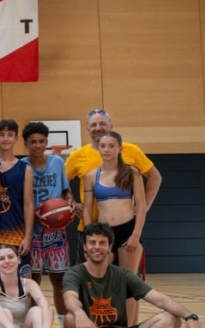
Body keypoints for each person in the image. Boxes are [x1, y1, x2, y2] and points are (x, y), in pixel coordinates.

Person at [61, 222, 204, 328]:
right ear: (84, 247)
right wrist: (80, 314)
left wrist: (190, 316)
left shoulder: (122, 275)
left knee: (172, 319)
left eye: (102, 243)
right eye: (92, 242)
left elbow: (160, 299)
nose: (97, 247)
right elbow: (70, 298)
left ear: (109, 248)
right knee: (71, 318)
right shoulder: (75, 273)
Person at [66, 108, 162, 264]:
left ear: (111, 125)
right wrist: (71, 202)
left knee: (127, 277)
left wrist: (145, 205)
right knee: (92, 276)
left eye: (102, 123)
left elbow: (155, 177)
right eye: (93, 125)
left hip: (126, 225)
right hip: (92, 226)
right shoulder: (77, 157)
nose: (98, 128)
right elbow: (62, 182)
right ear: (87, 128)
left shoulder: (131, 152)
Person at [83, 131, 148, 326]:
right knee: (104, 282)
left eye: (111, 146)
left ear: (120, 148)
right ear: (98, 148)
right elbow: (87, 208)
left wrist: (136, 234)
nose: (107, 149)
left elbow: (141, 205)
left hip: (127, 230)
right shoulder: (91, 176)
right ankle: (109, 327)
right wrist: (90, 237)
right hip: (104, 234)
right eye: (103, 146)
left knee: (128, 283)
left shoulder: (132, 173)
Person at [21, 121, 75, 328]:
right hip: (32, 231)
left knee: (59, 282)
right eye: (33, 141)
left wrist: (70, 203)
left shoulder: (57, 162)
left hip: (56, 232)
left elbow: (66, 191)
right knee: (33, 283)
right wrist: (35, 215)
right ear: (25, 143)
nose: (38, 145)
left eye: (42, 141)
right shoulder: (21, 166)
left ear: (47, 142)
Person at [0, 120, 34, 271]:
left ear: (16, 138)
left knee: (21, 280)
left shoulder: (25, 169)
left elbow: (28, 204)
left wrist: (28, 236)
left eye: (9, 135)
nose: (5, 138)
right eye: (2, 134)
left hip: (16, 233)